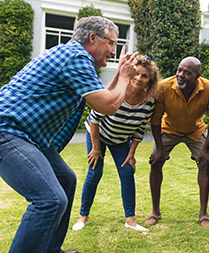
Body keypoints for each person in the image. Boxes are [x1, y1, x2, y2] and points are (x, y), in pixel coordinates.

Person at [0, 16, 138, 253]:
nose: (114, 51)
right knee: (50, 200)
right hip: (9, 131)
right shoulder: (75, 57)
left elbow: (102, 96)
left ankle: (52, 249)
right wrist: (125, 76)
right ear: (93, 38)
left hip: (30, 136)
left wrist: (120, 76)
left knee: (66, 180)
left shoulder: (72, 56)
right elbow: (108, 106)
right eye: (111, 43)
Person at [72, 55, 161, 232]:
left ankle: (130, 220)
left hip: (120, 139)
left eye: (144, 76)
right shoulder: (117, 92)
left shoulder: (149, 102)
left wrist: (131, 154)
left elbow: (139, 130)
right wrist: (96, 149)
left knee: (127, 171)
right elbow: (94, 121)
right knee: (95, 171)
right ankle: (83, 216)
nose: (138, 78)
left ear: (150, 80)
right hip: (98, 133)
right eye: (136, 73)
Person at [145, 56, 209, 228]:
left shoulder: (208, 88)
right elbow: (155, 118)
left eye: (187, 72)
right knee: (155, 162)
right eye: (179, 70)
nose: (181, 74)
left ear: (198, 75)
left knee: (205, 162)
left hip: (195, 130)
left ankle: (203, 214)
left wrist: (206, 149)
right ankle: (155, 212)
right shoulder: (164, 87)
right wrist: (159, 149)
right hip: (169, 129)